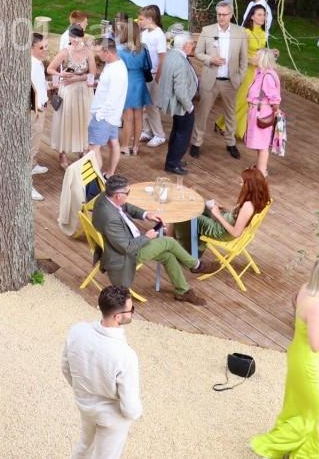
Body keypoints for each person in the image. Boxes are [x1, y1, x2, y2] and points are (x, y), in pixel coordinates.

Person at [250, 257, 319, 459]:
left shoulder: (307, 290)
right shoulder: (317, 306)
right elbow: (316, 344)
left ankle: (303, 452)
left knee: (296, 406)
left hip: (297, 355)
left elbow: (315, 324)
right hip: (306, 363)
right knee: (312, 410)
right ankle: (266, 446)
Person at [91, 175, 215, 305]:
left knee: (168, 256)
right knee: (169, 241)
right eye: (127, 193)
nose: (128, 195)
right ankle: (196, 265)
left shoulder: (105, 197)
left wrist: (146, 214)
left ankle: (183, 291)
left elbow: (125, 206)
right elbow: (127, 248)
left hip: (126, 242)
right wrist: (147, 237)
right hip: (126, 254)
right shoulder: (110, 219)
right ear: (117, 195)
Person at [60, 285, 142, 459]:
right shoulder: (125, 355)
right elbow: (131, 408)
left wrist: (83, 390)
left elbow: (66, 368)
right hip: (112, 417)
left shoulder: (77, 331)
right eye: (131, 309)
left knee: (84, 446)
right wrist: (133, 413)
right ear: (118, 316)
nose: (132, 312)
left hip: (85, 405)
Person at [192, 1, 249, 159]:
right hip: (210, 79)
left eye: (224, 14)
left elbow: (244, 60)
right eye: (219, 14)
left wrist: (239, 77)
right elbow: (197, 52)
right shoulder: (207, 30)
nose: (221, 17)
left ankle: (230, 143)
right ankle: (196, 143)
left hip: (230, 81)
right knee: (203, 112)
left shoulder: (240, 32)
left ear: (231, 15)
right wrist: (211, 59)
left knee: (231, 114)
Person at [49, 25, 95, 169]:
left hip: (83, 91)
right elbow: (50, 68)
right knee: (66, 120)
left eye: (77, 37)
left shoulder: (88, 52)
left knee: (83, 120)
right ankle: (62, 153)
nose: (74, 40)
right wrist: (60, 75)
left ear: (82, 36)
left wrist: (77, 79)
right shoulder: (65, 52)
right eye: (72, 36)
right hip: (68, 91)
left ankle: (81, 147)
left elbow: (92, 75)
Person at [154, 31, 199, 176]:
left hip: (176, 103)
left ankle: (174, 159)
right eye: (192, 43)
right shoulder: (180, 61)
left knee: (177, 132)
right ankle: (172, 164)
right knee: (182, 135)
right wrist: (189, 107)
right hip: (182, 105)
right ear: (186, 45)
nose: (193, 45)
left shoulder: (172, 54)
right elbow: (180, 91)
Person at [87, 38, 128, 178]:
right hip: (112, 116)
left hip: (104, 116)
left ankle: (95, 180)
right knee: (113, 143)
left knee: (93, 148)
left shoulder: (116, 71)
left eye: (99, 52)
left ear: (107, 52)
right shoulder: (113, 65)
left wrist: (99, 115)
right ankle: (110, 174)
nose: (97, 55)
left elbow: (113, 98)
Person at [196, 166, 271, 241]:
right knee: (201, 206)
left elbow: (236, 233)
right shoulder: (256, 198)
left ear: (249, 185)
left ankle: (195, 247)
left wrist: (218, 215)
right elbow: (237, 216)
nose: (240, 185)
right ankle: (198, 242)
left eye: (242, 182)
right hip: (224, 221)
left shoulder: (248, 206)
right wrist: (222, 209)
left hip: (221, 231)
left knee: (191, 216)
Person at [232, 4, 269, 142]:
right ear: (252, 16)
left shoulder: (264, 34)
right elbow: (238, 52)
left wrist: (271, 53)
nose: (263, 17)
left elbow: (262, 51)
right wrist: (249, 61)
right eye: (259, 14)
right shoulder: (246, 32)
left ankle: (240, 130)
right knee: (242, 99)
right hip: (246, 70)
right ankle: (227, 125)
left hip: (258, 71)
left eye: (264, 15)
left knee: (251, 100)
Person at [243, 48, 282, 175]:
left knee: (263, 144)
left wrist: (276, 111)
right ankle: (260, 167)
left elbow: (274, 98)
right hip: (256, 110)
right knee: (260, 142)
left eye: (256, 55)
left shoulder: (267, 77)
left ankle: (262, 170)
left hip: (262, 112)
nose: (253, 57)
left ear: (262, 59)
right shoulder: (260, 72)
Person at [135, 5, 168, 149]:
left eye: (141, 19)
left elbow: (162, 58)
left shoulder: (159, 35)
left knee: (152, 106)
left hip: (153, 74)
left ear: (150, 19)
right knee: (144, 104)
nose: (139, 21)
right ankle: (147, 131)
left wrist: (158, 77)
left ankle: (159, 134)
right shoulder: (145, 33)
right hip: (142, 73)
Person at [115, 21, 150, 157]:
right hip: (139, 81)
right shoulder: (143, 48)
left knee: (127, 117)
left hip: (127, 82)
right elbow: (147, 66)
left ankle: (124, 146)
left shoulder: (120, 50)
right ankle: (135, 146)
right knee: (139, 117)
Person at [29, 33, 51, 192]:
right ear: (31, 48)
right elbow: (31, 88)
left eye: (46, 47)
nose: (45, 50)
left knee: (36, 138)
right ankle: (27, 181)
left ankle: (33, 164)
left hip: (40, 105)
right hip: (35, 109)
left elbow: (40, 84)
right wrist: (37, 108)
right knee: (32, 141)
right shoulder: (32, 64)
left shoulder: (38, 63)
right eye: (41, 47)